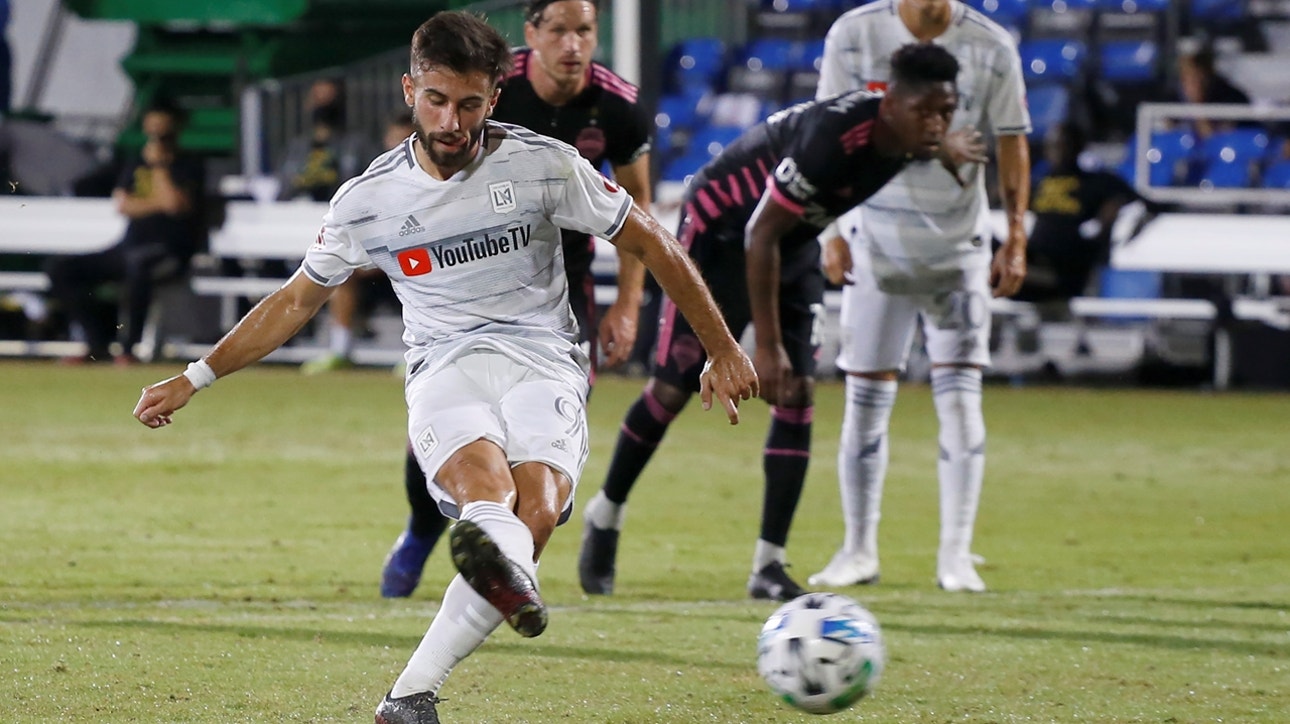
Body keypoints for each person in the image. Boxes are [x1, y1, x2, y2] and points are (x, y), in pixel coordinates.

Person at [129, 12, 756, 723]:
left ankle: (408, 694)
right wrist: (195, 376)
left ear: (494, 97)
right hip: (445, 367)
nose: (451, 120)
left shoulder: (544, 164)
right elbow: (296, 301)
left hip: (544, 359)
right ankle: (438, 658)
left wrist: (723, 346)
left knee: (538, 511)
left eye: (468, 103)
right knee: (489, 501)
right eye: (435, 99)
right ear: (409, 91)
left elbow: (655, 242)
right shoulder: (369, 200)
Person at [578, 42, 969, 601]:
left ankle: (769, 565)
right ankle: (606, 514)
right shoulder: (833, 138)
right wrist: (765, 344)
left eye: (946, 113)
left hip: (791, 238)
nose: (937, 123)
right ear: (892, 103)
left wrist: (945, 145)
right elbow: (758, 233)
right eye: (927, 112)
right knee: (673, 387)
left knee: (797, 393)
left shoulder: (909, 134)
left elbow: (782, 231)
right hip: (721, 231)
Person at [378, 0, 656, 598]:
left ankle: (508, 562)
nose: (572, 44)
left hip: (561, 286)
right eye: (558, 30)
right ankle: (422, 530)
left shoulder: (620, 108)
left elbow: (640, 210)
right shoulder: (484, 84)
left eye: (584, 30)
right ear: (532, 33)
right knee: (446, 425)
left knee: (541, 432)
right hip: (472, 273)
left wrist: (628, 303)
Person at [808, 0, 1030, 594]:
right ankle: (858, 550)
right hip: (876, 241)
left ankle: (955, 555)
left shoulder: (992, 45)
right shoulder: (853, 35)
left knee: (960, 396)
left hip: (960, 248)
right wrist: (830, 231)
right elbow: (823, 128)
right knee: (865, 400)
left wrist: (1015, 235)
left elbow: (1011, 139)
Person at [44, 101, 204, 365]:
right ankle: (97, 343)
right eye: (151, 131)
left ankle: (129, 349)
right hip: (128, 247)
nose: (156, 139)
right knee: (62, 269)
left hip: (169, 251)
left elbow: (175, 204)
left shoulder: (188, 164)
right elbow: (124, 204)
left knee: (138, 266)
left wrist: (160, 168)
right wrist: (156, 201)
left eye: (162, 132)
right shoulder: (134, 161)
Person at [301, 111, 415, 374]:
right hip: (378, 265)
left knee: (417, 271)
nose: (399, 148)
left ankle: (414, 354)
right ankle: (340, 350)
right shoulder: (371, 182)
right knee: (343, 272)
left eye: (406, 140)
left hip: (415, 265)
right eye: (395, 140)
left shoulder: (433, 181)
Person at [1017, 122, 1154, 304]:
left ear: (1078, 146)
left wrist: (1114, 230)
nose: (1057, 150)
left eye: (1063, 143)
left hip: (1065, 270)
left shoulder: (1097, 182)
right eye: (1053, 145)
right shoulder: (1041, 181)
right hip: (1032, 261)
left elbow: (1148, 205)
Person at [276, 78, 375, 202]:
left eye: (328, 97)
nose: (322, 103)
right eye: (317, 97)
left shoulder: (356, 145)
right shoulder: (296, 147)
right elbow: (284, 187)